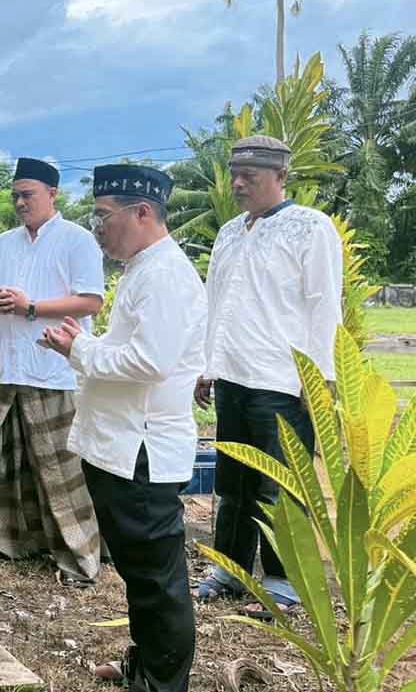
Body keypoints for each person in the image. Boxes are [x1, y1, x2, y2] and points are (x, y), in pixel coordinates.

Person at [42, 164, 206, 692]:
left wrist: (80, 349)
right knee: (142, 575)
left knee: (158, 581)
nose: (98, 228)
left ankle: (162, 683)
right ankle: (146, 665)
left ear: (142, 213)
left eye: (103, 216)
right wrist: (82, 348)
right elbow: (134, 351)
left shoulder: (164, 275)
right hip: (122, 446)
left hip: (143, 451)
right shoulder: (143, 269)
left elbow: (149, 362)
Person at [194, 135, 342, 618]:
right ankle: (231, 571)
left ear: (280, 177)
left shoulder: (310, 228)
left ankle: (284, 581)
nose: (238, 184)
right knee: (232, 482)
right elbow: (216, 303)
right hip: (232, 376)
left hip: (283, 381)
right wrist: (206, 365)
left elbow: (324, 306)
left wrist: (318, 380)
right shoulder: (230, 232)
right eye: (235, 175)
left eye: (250, 178)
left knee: (280, 485)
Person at [0, 157, 106, 586]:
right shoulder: (3, 243)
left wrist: (33, 307)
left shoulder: (77, 240)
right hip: (7, 365)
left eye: (27, 194)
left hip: (52, 368)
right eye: (15, 195)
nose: (19, 202)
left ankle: (79, 556)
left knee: (59, 468)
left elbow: (91, 301)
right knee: (2, 463)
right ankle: (7, 542)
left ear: (53, 193)